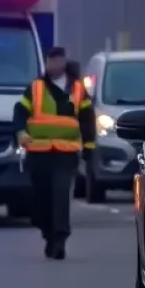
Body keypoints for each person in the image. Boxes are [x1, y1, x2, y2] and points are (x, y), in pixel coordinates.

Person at [13, 47, 96, 259]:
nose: (54, 65)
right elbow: (20, 112)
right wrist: (21, 132)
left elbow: (87, 118)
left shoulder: (77, 88)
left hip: (65, 153)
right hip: (39, 153)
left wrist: (89, 146)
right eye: (51, 61)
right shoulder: (36, 87)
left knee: (60, 195)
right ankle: (47, 233)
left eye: (58, 61)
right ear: (47, 63)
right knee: (42, 199)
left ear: (64, 62)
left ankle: (59, 239)